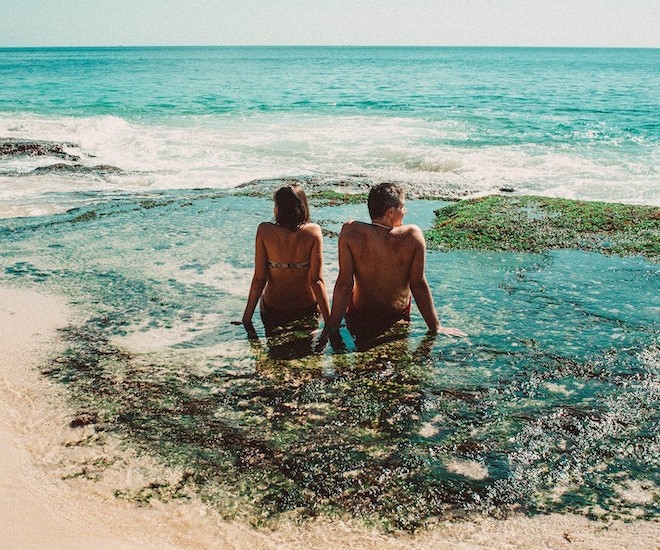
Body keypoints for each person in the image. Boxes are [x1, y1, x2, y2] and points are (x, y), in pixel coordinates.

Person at [322, 182, 466, 344]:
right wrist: (436, 327)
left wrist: (331, 326)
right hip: (396, 314)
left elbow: (344, 284)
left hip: (360, 311)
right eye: (402, 207)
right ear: (391, 212)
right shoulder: (412, 235)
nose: (405, 211)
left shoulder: (351, 231)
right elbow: (417, 285)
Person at [241, 184, 331, 337]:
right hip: (306, 307)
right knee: (310, 355)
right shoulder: (313, 232)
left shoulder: (265, 231)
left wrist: (246, 319)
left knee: (273, 354)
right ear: (303, 207)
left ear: (278, 208)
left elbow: (259, 278)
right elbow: (316, 281)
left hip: (273, 308)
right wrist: (330, 321)